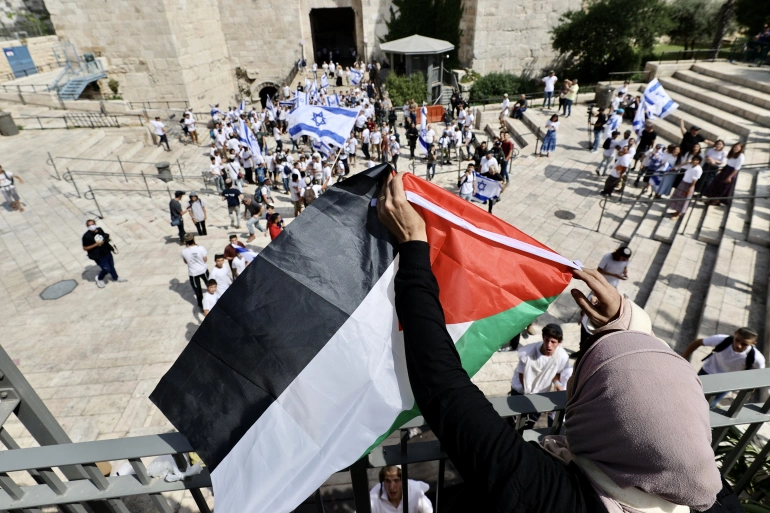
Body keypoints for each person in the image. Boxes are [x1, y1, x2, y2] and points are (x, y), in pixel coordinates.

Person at [376, 172, 733, 513]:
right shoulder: (711, 495)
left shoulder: (543, 494)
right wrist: (625, 323)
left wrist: (413, 250)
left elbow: (443, 385)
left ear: (595, 422)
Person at [681, 327, 765, 407]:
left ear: (753, 343)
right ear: (735, 334)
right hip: (707, 371)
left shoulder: (756, 358)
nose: (739, 345)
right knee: (690, 394)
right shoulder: (721, 340)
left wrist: (749, 392)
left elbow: (758, 375)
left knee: (709, 404)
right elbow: (698, 342)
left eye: (744, 344)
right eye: (737, 340)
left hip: (727, 382)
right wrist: (682, 359)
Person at [511, 323, 570, 428]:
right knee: (513, 420)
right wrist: (527, 394)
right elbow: (521, 375)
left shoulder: (562, 356)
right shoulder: (527, 352)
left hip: (540, 393)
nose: (549, 345)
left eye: (553, 342)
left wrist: (557, 383)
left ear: (559, 342)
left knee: (529, 423)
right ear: (543, 337)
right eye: (547, 340)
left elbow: (558, 372)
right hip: (520, 390)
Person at [82, 219, 126, 288]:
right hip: (98, 255)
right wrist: (96, 244)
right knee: (106, 269)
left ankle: (116, 278)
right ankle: (99, 278)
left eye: (92, 224)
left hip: (107, 251)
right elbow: (85, 248)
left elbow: (105, 236)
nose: (91, 226)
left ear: (95, 224)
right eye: (89, 225)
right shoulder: (86, 236)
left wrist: (105, 238)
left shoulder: (99, 230)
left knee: (111, 266)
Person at [181, 234, 208, 310]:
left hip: (193, 273)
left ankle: (202, 306)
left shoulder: (184, 251)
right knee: (210, 284)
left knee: (198, 291)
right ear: (193, 239)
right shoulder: (201, 248)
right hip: (203, 270)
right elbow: (205, 259)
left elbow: (186, 262)